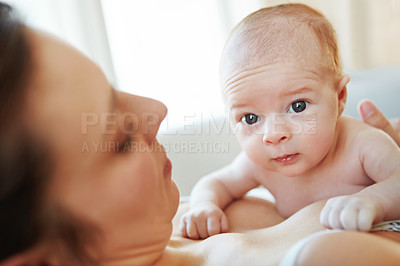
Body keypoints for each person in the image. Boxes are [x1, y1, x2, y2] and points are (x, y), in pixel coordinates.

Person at [1, 2, 400, 265]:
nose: (157, 111)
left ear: (341, 96)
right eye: (120, 141)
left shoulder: (171, 216)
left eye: (297, 107)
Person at [180, 3, 400, 240]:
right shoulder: (259, 164)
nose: (273, 134)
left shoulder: (361, 144)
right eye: (250, 118)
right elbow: (215, 183)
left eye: (298, 106)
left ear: (339, 97)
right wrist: (204, 206)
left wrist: (374, 200)